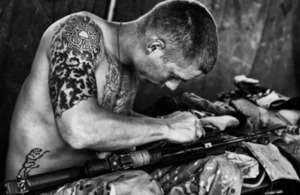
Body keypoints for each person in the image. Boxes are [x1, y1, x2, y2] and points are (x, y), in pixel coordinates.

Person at [5, 0, 242, 194]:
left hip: (102, 178)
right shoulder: (79, 34)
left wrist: (191, 127)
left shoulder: (130, 65)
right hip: (37, 187)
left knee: (220, 170)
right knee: (137, 188)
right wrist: (167, 128)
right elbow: (79, 130)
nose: (171, 86)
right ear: (155, 47)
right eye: (173, 75)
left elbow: (116, 121)